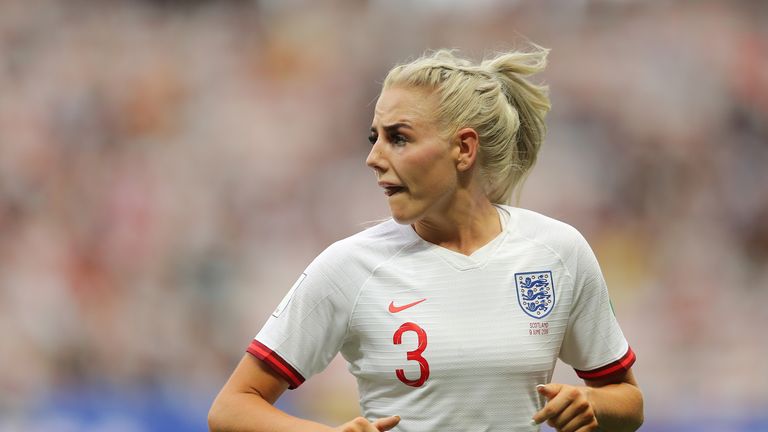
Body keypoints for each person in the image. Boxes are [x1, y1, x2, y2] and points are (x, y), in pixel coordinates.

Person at [209, 46, 644, 432]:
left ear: (464, 149)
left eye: (398, 138)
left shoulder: (557, 251)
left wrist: (590, 402)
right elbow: (232, 408)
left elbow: (627, 400)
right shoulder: (350, 266)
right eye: (374, 137)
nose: (373, 158)